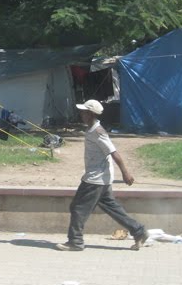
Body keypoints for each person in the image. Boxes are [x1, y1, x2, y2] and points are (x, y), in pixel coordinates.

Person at [56, 99, 149, 251]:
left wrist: (125, 173)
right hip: (101, 178)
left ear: (90, 114)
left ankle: (75, 241)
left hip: (95, 179)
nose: (81, 114)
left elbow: (114, 152)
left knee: (78, 207)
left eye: (84, 112)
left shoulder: (98, 132)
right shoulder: (92, 129)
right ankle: (139, 231)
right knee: (112, 208)